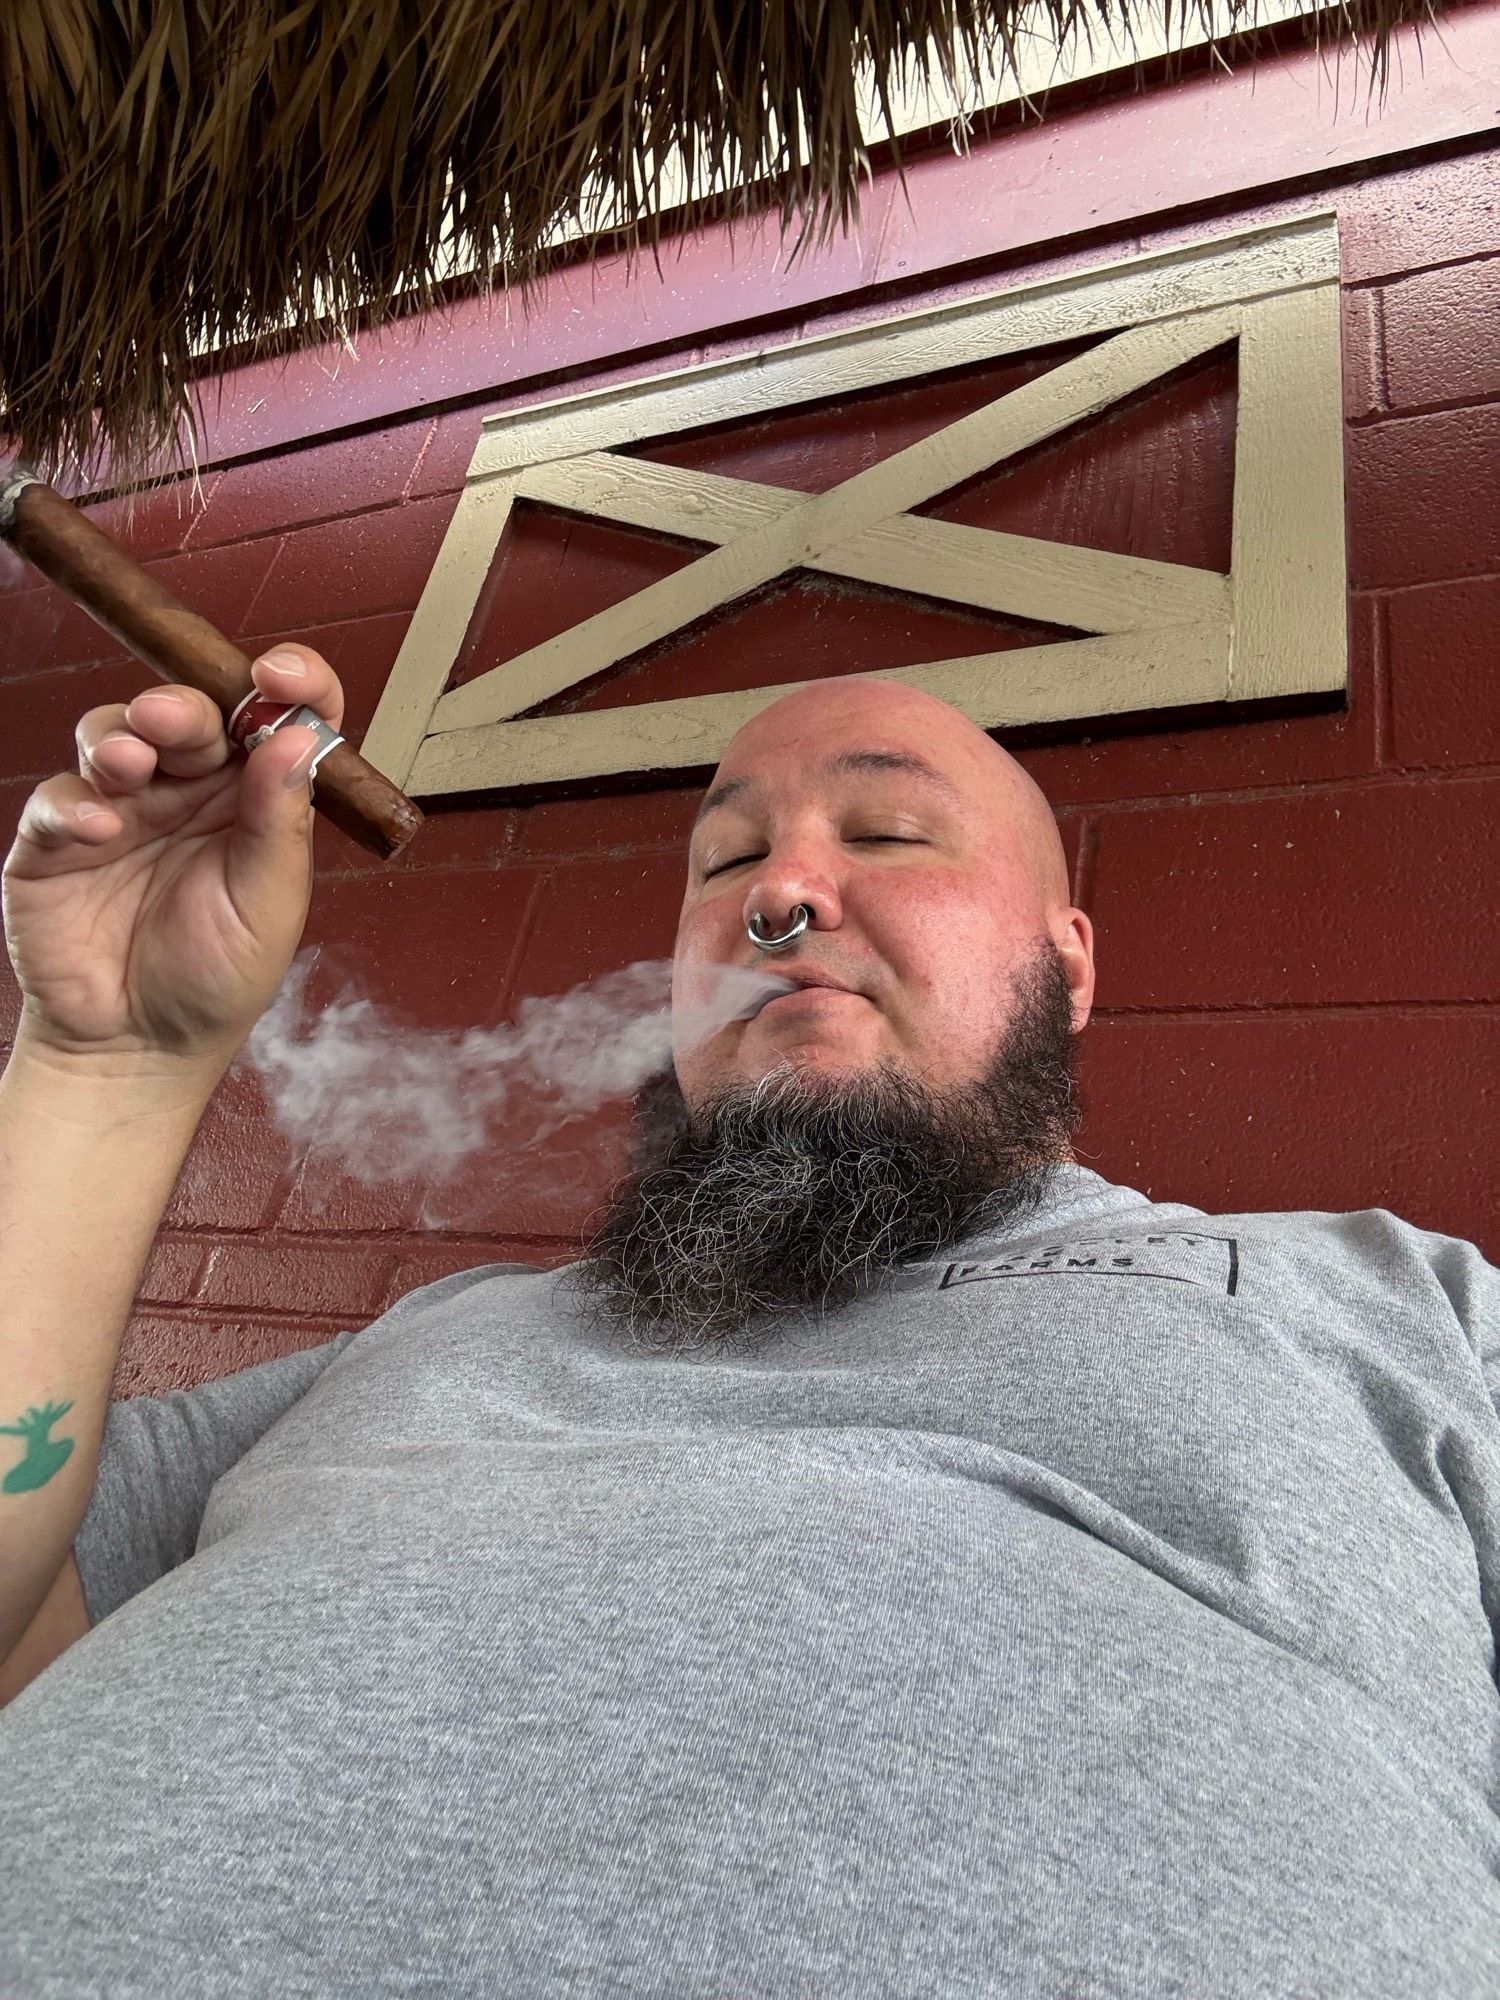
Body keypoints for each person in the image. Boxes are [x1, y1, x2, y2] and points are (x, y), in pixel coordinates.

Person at [0, 645, 1496, 1999]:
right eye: (724, 861)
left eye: (890, 833)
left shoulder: (1394, 1307)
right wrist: (101, 1067)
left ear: (1073, 958)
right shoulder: (446, 1331)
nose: (778, 895)